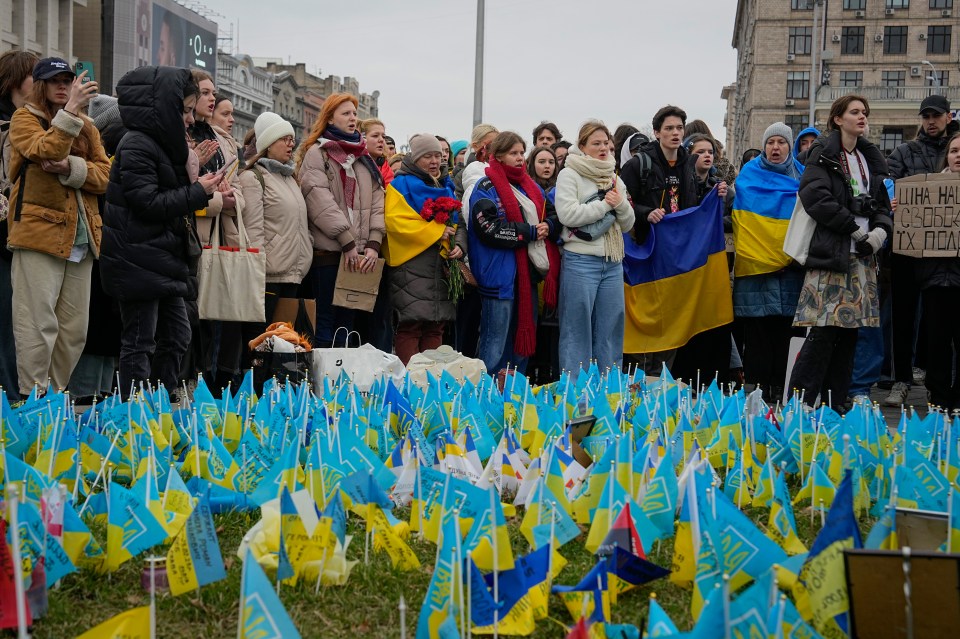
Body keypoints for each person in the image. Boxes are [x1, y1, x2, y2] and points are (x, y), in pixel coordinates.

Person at [100, 66, 219, 398]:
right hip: (137, 259)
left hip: (160, 258)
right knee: (140, 341)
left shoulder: (166, 146)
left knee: (178, 335)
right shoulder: (137, 143)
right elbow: (147, 202)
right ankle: (133, 414)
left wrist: (195, 180)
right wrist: (199, 191)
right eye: (183, 111)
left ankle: (161, 403)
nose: (189, 119)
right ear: (164, 109)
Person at [6, 58, 109, 398]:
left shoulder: (87, 125)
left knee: (73, 330)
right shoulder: (25, 118)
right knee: (37, 324)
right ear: (40, 85)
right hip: (38, 235)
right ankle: (32, 397)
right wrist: (72, 112)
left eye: (68, 80)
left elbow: (106, 176)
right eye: (55, 81)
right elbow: (44, 149)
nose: (64, 87)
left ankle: (53, 393)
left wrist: (71, 168)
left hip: (82, 237)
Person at [788, 95, 892, 412]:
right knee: (822, 333)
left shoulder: (869, 158)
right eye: (855, 112)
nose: (862, 117)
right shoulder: (824, 152)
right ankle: (800, 403)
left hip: (862, 257)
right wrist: (852, 227)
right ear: (838, 119)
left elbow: (880, 205)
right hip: (831, 254)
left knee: (850, 336)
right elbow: (814, 196)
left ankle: (836, 405)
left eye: (865, 112)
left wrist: (879, 232)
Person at [883, 95, 957, 407]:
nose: (930, 121)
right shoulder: (904, 152)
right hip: (909, 249)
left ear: (948, 116)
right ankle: (901, 379)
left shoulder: (956, 148)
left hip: (949, 256)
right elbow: (886, 183)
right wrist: (893, 199)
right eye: (926, 116)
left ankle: (932, 379)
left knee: (940, 322)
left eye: (936, 115)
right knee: (904, 315)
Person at [296, 92, 385, 348]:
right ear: (330, 119)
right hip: (330, 253)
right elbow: (318, 199)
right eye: (346, 113)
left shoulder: (363, 157)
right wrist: (347, 240)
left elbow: (378, 200)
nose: (353, 118)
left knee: (348, 324)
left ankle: (342, 381)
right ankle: (323, 381)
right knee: (325, 321)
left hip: (360, 255)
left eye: (355, 114)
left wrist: (373, 243)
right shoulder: (318, 153)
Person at [468, 131, 560, 374]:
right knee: (495, 344)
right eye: (513, 153)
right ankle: (487, 395)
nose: (520, 158)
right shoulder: (485, 186)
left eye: (522, 153)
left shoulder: (530, 186)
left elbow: (552, 215)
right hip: (498, 277)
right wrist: (528, 232)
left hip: (526, 276)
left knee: (521, 346)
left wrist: (548, 226)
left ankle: (515, 396)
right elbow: (487, 227)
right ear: (498, 155)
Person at [620, 105, 698, 374]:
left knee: (672, 319)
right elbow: (622, 201)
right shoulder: (638, 164)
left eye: (679, 128)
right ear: (657, 133)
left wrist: (717, 194)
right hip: (645, 254)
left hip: (676, 257)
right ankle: (639, 380)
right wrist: (645, 213)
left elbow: (694, 204)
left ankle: (661, 381)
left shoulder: (688, 163)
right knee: (646, 318)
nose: (675, 133)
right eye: (669, 129)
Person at [731, 123, 805, 402]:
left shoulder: (803, 176)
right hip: (757, 271)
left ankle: (782, 386)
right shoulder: (748, 176)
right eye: (771, 142)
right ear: (764, 146)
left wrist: (790, 254)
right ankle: (759, 389)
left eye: (781, 142)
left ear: (790, 146)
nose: (776, 147)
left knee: (787, 331)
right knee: (759, 334)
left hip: (792, 269)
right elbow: (744, 220)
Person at [554, 121, 634, 376]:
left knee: (611, 328)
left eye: (606, 143)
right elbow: (568, 215)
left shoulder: (613, 176)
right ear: (582, 147)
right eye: (596, 144)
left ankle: (608, 390)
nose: (602, 148)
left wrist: (619, 204)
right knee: (577, 329)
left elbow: (629, 222)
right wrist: (605, 206)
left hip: (612, 261)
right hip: (580, 260)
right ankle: (575, 392)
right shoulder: (569, 173)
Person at [384, 134, 462, 364]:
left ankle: (431, 379)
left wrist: (459, 246)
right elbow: (395, 222)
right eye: (428, 155)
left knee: (436, 326)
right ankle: (411, 378)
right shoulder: (400, 185)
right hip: (412, 265)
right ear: (415, 157)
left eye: (438, 155)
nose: (434, 161)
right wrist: (436, 232)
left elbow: (459, 223)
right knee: (411, 325)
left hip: (440, 265)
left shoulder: (446, 185)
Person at [239, 112, 312, 335]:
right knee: (261, 339)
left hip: (293, 272)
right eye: (284, 139)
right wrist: (258, 269)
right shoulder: (253, 178)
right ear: (268, 145)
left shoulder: (290, 178)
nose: (291, 144)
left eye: (292, 139)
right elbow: (254, 230)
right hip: (268, 276)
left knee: (283, 342)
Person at [0, 49, 38, 401]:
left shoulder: (38, 123)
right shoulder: (7, 126)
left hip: (28, 236)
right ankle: (9, 395)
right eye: (35, 76)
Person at [916, 132, 960, 408]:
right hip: (934, 279)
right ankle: (940, 398)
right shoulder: (928, 190)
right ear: (947, 157)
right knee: (937, 343)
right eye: (955, 151)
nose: (959, 156)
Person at [360, 118, 394, 185]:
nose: (381, 140)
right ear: (362, 138)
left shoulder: (387, 169)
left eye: (383, 137)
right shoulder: (353, 165)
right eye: (375, 136)